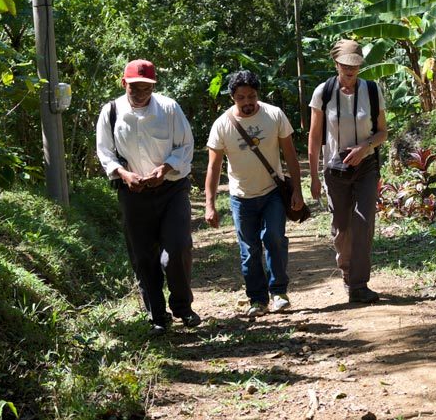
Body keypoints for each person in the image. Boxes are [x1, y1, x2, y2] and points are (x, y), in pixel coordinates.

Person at [96, 59, 201, 336]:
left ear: (154, 86)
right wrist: (124, 174)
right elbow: (105, 152)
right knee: (143, 257)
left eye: (146, 89)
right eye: (135, 88)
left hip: (171, 189)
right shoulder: (111, 112)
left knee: (177, 249)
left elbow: (185, 145)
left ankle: (183, 307)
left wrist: (165, 168)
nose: (141, 94)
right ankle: (157, 315)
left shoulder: (168, 108)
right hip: (132, 193)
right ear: (124, 84)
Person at [205, 70, 304, 317]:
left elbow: (290, 155)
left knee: (274, 238)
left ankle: (279, 292)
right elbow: (214, 166)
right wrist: (210, 204)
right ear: (232, 97)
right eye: (241, 97)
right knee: (249, 250)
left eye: (252, 96)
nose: (247, 102)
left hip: (272, 192)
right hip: (241, 197)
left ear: (258, 94)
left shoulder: (274, 115)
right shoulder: (222, 124)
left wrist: (298, 192)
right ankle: (257, 300)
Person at [308, 39, 388, 303]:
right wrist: (315, 176)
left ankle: (359, 284)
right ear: (336, 64)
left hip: (366, 165)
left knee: (364, 223)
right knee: (342, 228)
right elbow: (314, 135)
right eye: (345, 65)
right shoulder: (324, 92)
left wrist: (364, 147)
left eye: (355, 65)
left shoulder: (372, 90)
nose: (350, 70)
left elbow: (382, 132)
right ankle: (346, 271)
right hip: (335, 167)